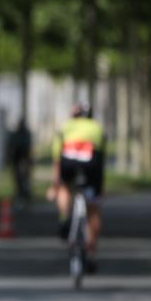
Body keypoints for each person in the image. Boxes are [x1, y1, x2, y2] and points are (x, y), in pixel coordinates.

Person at [50, 103, 106, 272]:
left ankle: (64, 218)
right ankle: (91, 251)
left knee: (65, 187)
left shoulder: (66, 127)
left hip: (69, 158)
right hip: (91, 162)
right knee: (94, 208)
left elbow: (57, 159)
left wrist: (55, 185)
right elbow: (101, 157)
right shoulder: (97, 127)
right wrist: (100, 187)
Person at [7, 118, 33, 203]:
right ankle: (21, 194)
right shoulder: (16, 134)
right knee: (19, 178)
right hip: (18, 159)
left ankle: (25, 194)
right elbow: (11, 147)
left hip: (23, 159)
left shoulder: (25, 134)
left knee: (23, 178)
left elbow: (28, 147)